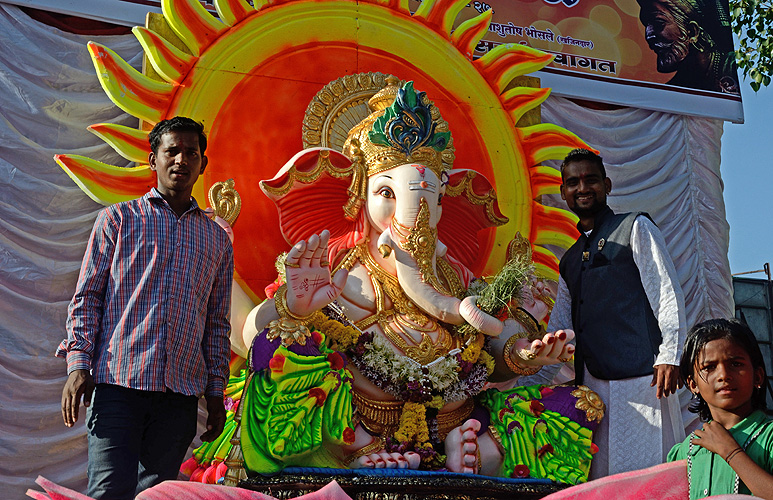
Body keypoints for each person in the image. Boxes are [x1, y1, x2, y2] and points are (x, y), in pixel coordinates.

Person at [56, 116, 234, 499]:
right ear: (153, 159)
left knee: (157, 495)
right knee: (108, 492)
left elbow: (217, 324)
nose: (181, 160)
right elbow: (87, 298)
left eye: (191, 152)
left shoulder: (217, 239)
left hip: (179, 395)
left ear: (203, 163)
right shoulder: (117, 221)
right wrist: (78, 365)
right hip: (118, 385)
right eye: (171, 151)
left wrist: (216, 395)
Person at [542, 148, 687, 479]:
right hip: (593, 388)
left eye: (590, 180)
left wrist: (670, 356)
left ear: (606, 185)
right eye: (573, 182)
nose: (582, 188)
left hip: (645, 379)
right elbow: (560, 329)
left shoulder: (635, 227)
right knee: (603, 482)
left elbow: (666, 292)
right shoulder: (569, 260)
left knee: (652, 478)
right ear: (563, 191)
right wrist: (525, 373)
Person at [668, 318, 773, 499]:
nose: (724, 375)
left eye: (736, 364)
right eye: (709, 367)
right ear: (693, 385)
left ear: (758, 376)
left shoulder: (769, 436)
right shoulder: (686, 450)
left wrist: (731, 452)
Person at [636, 0, 739, 94]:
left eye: (659, 23)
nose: (648, 36)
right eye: (646, 25)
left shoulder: (738, 68)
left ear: (692, 32)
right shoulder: (669, 95)